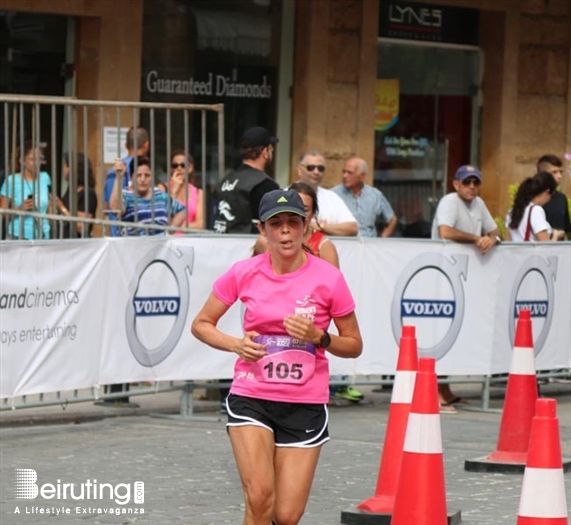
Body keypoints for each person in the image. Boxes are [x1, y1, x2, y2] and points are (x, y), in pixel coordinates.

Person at [191, 189, 363, 525]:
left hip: (305, 403)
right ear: (263, 229)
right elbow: (201, 324)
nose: (285, 230)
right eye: (276, 223)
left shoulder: (329, 279)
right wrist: (236, 345)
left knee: (286, 516)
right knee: (259, 499)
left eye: (292, 222)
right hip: (251, 395)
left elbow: (354, 344)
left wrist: (320, 337)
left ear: (305, 226)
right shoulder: (244, 272)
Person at [432, 164, 502, 412]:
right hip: (441, 274)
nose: (472, 186)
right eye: (467, 182)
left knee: (457, 330)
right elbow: (445, 231)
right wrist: (476, 238)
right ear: (456, 184)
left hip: (463, 276)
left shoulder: (478, 203)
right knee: (441, 330)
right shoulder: (450, 201)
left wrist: (491, 239)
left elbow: (495, 230)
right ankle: (435, 392)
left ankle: (446, 390)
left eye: (476, 182)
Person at [213, 126, 280, 234]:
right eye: (271, 149)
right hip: (250, 247)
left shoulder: (224, 181)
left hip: (221, 245)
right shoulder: (265, 185)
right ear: (265, 151)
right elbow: (276, 225)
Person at [109, 155, 186, 236]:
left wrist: (170, 230)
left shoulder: (158, 194)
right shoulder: (126, 195)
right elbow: (115, 209)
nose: (143, 179)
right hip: (133, 247)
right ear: (131, 177)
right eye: (138, 175)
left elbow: (182, 210)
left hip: (160, 247)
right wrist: (119, 177)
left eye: (147, 175)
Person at [296, 151, 358, 237]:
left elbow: (352, 228)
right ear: (299, 170)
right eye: (311, 167)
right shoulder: (286, 194)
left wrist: (321, 226)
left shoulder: (332, 198)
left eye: (320, 168)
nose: (316, 172)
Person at [332, 156, 397, 237]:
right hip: (344, 245)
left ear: (362, 176)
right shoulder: (333, 194)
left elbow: (392, 219)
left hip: (369, 246)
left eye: (349, 173)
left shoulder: (375, 195)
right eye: (344, 172)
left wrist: (382, 240)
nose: (345, 176)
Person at [103, 126, 150, 235]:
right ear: (147, 145)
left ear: (126, 146)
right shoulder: (146, 170)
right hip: (137, 236)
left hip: (115, 235)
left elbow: (107, 205)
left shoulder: (113, 170)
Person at [0, 141, 51, 240]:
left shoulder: (45, 177)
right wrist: (19, 209)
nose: (37, 163)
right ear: (22, 161)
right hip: (18, 235)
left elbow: (49, 205)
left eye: (39, 159)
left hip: (43, 235)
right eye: (32, 159)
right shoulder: (12, 180)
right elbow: (2, 212)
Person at [505, 171, 566, 241]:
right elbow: (546, 246)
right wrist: (556, 235)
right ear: (547, 192)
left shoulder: (512, 211)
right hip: (531, 252)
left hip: (515, 252)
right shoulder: (535, 210)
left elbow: (508, 240)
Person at [55, 152, 98, 238]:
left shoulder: (88, 193)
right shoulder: (70, 190)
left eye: (65, 166)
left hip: (79, 245)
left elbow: (82, 227)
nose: (63, 169)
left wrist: (61, 208)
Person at [159, 150, 204, 231]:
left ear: (190, 168)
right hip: (168, 239)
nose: (179, 168)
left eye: (183, 165)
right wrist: (174, 191)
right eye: (175, 165)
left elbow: (200, 224)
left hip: (190, 240)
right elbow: (162, 219)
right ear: (170, 169)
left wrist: (175, 227)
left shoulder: (198, 193)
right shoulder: (162, 188)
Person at [536, 154, 570, 239]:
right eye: (554, 172)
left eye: (560, 172)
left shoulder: (561, 198)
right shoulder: (534, 199)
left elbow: (565, 229)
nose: (559, 176)